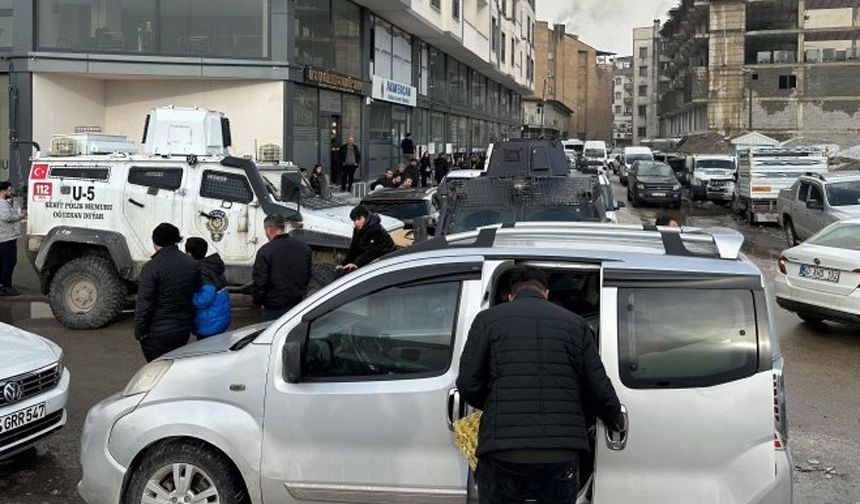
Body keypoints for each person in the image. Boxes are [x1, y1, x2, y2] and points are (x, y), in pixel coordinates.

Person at [457, 266, 624, 504]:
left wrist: (498, 400)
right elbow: (597, 387)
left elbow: (467, 383)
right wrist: (616, 419)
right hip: (560, 453)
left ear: (510, 295)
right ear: (546, 293)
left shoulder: (487, 320)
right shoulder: (576, 325)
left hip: (502, 452)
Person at [135, 223, 201, 362]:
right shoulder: (190, 263)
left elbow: (144, 303)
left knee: (157, 370)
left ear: (155, 241)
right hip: (182, 330)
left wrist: (139, 331)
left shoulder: (151, 267)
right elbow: (195, 292)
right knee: (173, 367)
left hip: (156, 332)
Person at [253, 214, 312, 321]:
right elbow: (307, 275)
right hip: (297, 304)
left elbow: (260, 282)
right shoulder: (304, 248)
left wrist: (258, 301)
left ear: (269, 230)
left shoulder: (265, 252)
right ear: (283, 228)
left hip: (273, 307)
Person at [185, 237, 231, 339]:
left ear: (189, 254)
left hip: (209, 324)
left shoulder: (202, 271)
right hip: (219, 320)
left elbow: (205, 299)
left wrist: (187, 299)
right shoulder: (212, 267)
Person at [337, 205, 396, 273]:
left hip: (387, 259)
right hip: (372, 259)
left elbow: (372, 251)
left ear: (366, 217)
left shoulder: (375, 229)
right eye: (354, 220)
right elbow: (354, 248)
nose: (356, 222)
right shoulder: (358, 230)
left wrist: (356, 264)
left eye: (359, 219)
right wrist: (343, 264)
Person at [0, 182, 25, 296]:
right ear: (3, 191)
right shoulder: (2, 203)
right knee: (9, 262)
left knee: (3, 263)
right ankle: (7, 287)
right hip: (6, 238)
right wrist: (20, 216)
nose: (11, 193)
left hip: (4, 237)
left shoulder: (5, 203)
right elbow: (7, 217)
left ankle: (3, 285)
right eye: (9, 190)